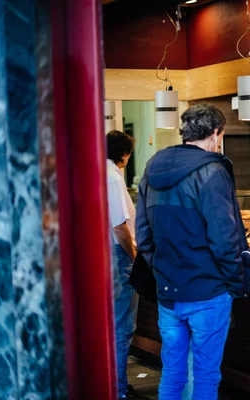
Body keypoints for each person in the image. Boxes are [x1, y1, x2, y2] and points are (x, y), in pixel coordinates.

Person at [136, 104, 250, 400]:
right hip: (208, 292)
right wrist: (235, 284)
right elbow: (224, 239)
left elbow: (144, 237)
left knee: (173, 373)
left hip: (168, 293)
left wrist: (162, 270)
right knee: (204, 377)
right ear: (215, 134)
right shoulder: (212, 171)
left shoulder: (151, 169)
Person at [106, 130, 141, 400]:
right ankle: (118, 391)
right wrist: (135, 258)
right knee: (122, 327)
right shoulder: (113, 177)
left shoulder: (96, 173)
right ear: (125, 154)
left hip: (105, 255)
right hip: (119, 256)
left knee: (111, 326)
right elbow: (119, 227)